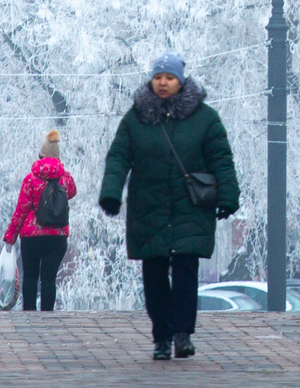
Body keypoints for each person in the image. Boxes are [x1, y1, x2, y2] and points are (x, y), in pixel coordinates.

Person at [99, 52, 240, 361]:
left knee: (187, 272)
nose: (163, 83)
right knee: (154, 276)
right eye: (158, 77)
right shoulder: (136, 117)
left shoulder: (205, 118)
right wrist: (111, 192)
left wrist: (228, 195)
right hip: (149, 208)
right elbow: (119, 155)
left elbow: (221, 159)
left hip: (190, 207)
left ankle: (182, 333)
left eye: (170, 78)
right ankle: (161, 336)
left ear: (181, 81)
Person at [2, 129, 77, 311]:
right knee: (49, 279)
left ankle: (29, 314)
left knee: (30, 277)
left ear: (40, 156)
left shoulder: (30, 180)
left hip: (32, 237)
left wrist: (10, 238)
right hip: (57, 237)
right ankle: (47, 317)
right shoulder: (65, 179)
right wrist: (61, 171)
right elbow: (73, 192)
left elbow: (21, 210)